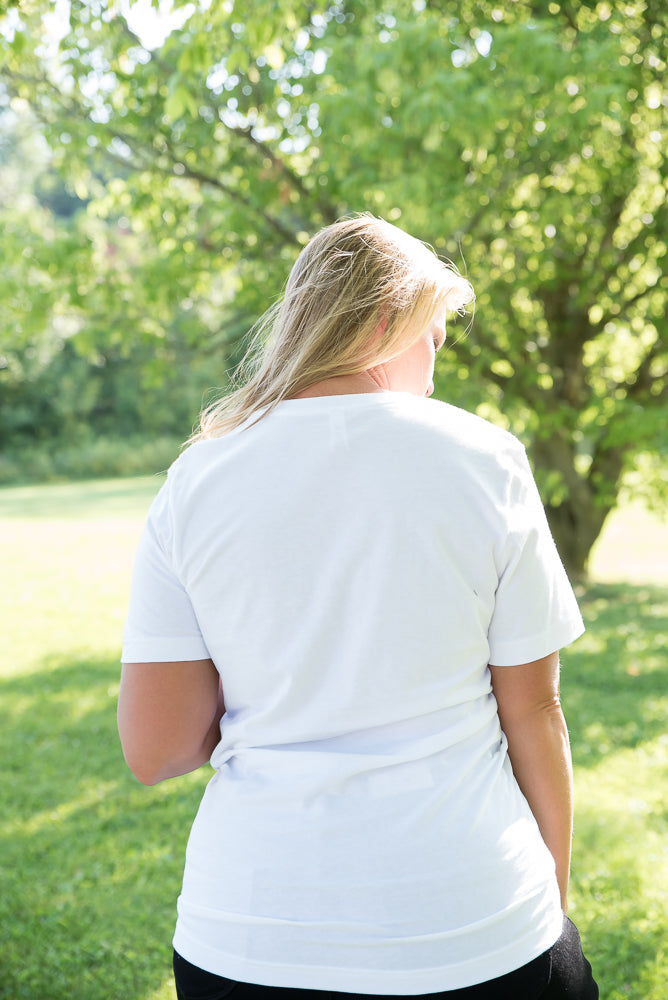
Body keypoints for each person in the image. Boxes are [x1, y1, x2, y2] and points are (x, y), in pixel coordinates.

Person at [118, 214, 599, 1000]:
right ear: (384, 321)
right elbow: (534, 711)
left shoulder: (195, 482)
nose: (436, 373)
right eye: (434, 339)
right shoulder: (487, 461)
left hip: (249, 940)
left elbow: (156, 749)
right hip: (475, 924)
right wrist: (549, 900)